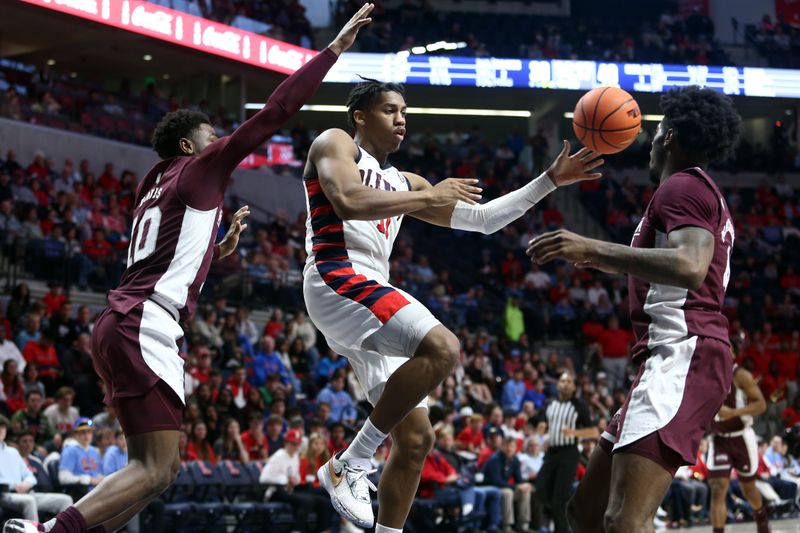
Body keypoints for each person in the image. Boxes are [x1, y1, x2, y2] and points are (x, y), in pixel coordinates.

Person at [2, 8, 374, 533]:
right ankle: (46, 532)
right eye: (211, 135)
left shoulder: (153, 185)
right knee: (153, 467)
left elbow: (164, 255)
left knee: (162, 470)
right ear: (188, 146)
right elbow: (275, 111)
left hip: (122, 319)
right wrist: (333, 50)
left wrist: (218, 248)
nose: (220, 140)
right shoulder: (202, 166)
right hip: (145, 322)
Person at [305, 79, 603, 531]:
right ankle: (350, 461)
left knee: (416, 438)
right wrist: (429, 196)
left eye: (404, 111)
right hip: (336, 275)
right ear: (360, 117)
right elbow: (346, 201)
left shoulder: (405, 182)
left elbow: (483, 222)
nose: (401, 118)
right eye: (389, 110)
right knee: (444, 348)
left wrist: (549, 181)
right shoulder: (336, 143)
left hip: (368, 294)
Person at [530, 86, 742, 533]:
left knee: (625, 520)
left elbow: (689, 266)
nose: (649, 139)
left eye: (657, 129)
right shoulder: (694, 190)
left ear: (669, 138)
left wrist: (593, 249)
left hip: (683, 353)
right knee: (584, 512)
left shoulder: (681, 186)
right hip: (668, 356)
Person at [707, 354, 770, 533]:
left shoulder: (740, 375)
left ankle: (761, 516)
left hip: (741, 436)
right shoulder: (706, 374)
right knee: (718, 487)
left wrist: (734, 413)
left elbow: (761, 404)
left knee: (748, 489)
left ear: (732, 353)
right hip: (718, 438)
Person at [537, 371, 598, 533]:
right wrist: (542, 427)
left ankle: (561, 527)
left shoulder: (579, 405)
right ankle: (558, 515)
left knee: (559, 498)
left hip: (569, 454)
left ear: (573, 387)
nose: (565, 384)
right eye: (562, 381)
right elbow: (544, 423)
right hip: (551, 452)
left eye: (569, 381)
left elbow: (593, 432)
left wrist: (575, 433)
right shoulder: (550, 403)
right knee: (540, 490)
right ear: (557, 385)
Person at [0, 416, 72, 523]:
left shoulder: (13, 452)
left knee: (66, 500)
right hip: (4, 494)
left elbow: (30, 476)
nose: (1, 430)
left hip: (26, 492)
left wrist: (26, 484)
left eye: (3, 427)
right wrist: (13, 486)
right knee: (29, 501)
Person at [260, 428, 332, 532]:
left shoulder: (294, 457)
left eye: (297, 444)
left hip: (288, 490)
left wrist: (294, 480)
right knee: (307, 501)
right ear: (286, 442)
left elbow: (297, 478)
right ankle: (297, 530)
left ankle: (322, 530)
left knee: (323, 502)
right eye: (293, 444)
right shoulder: (279, 456)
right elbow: (264, 478)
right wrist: (285, 480)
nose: (295, 447)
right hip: (274, 491)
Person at [58, 419, 103, 489]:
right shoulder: (70, 450)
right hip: (81, 492)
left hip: (97, 490)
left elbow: (98, 473)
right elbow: (63, 478)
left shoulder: (94, 451)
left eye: (89, 432)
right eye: (82, 432)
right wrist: (87, 480)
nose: (86, 435)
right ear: (75, 434)